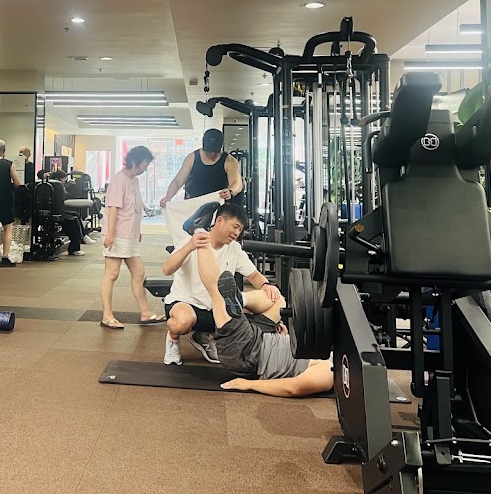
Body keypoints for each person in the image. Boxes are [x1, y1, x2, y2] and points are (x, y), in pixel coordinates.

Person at [194, 239, 333, 397]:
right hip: (264, 336)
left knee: (216, 292)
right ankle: (240, 299)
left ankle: (199, 234)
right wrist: (286, 338)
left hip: (249, 353)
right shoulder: (329, 352)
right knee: (278, 302)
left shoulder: (329, 371)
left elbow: (294, 387)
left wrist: (249, 384)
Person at [161, 202, 278, 365]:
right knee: (183, 321)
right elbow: (167, 269)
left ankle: (203, 336)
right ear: (220, 221)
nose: (237, 233)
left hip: (216, 307)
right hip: (186, 303)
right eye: (235, 227)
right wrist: (190, 246)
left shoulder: (234, 249)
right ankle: (172, 339)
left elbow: (253, 275)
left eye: (240, 230)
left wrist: (266, 285)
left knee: (273, 300)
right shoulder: (193, 240)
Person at [100, 146, 165, 328]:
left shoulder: (134, 180)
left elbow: (134, 207)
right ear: (135, 161)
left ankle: (146, 313)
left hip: (130, 235)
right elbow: (113, 208)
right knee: (111, 274)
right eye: (144, 164)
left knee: (139, 273)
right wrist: (111, 234)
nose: (145, 168)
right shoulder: (118, 180)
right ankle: (107, 316)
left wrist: (137, 231)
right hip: (117, 234)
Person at [159, 129, 243, 208]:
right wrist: (168, 197)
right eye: (209, 151)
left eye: (215, 151)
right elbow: (177, 181)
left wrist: (231, 191)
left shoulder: (230, 161)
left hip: (219, 205)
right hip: (195, 204)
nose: (212, 154)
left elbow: (237, 183)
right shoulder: (192, 158)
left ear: (221, 147)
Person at [49, 170, 85, 256]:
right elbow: (62, 198)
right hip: (54, 213)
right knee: (73, 220)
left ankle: (84, 236)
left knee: (76, 214)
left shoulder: (55, 186)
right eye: (64, 178)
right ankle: (74, 249)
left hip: (56, 210)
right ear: (59, 179)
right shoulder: (56, 186)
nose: (65, 180)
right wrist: (67, 188)